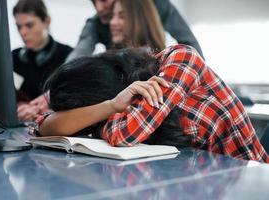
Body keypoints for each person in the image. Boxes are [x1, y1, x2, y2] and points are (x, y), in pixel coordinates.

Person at [36, 44, 268, 163]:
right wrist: (111, 106)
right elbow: (44, 127)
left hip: (252, 180)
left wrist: (100, 122)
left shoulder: (181, 58)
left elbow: (125, 134)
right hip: (204, 179)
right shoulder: (120, 104)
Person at [65, 0, 203, 62]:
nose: (99, 8)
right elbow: (79, 53)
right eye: (93, 2)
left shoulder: (159, 4)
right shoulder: (95, 23)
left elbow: (189, 42)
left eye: (103, 0)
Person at [12, 0, 73, 121]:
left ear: (47, 21)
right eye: (19, 27)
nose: (23, 32)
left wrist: (43, 111)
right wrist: (19, 107)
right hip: (21, 124)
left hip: (53, 124)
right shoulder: (12, 57)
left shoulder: (68, 55)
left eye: (29, 25)